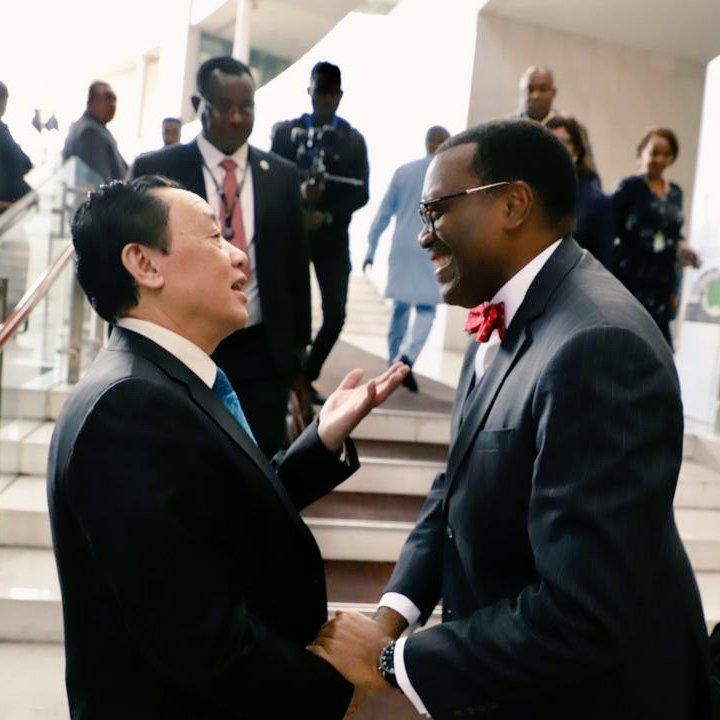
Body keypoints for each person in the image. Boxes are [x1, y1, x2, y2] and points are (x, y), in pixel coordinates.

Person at [309, 120, 713, 720]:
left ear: (513, 204)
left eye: (436, 209)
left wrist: (392, 662)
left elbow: (583, 614)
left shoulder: (598, 346)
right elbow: (457, 485)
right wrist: (392, 615)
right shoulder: (503, 305)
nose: (423, 236)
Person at [47, 175, 408, 719]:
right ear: (145, 264)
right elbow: (196, 637)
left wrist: (320, 441)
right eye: (215, 238)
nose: (239, 256)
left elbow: (218, 515)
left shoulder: (157, 383)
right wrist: (332, 687)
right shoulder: (129, 407)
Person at [129, 56, 310, 459]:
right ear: (199, 106)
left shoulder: (280, 174)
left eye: (246, 108)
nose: (235, 118)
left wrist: (299, 355)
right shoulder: (157, 169)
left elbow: (296, 266)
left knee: (258, 462)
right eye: (223, 107)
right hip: (184, 343)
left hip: (263, 347)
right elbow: (133, 267)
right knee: (189, 460)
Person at [272, 61, 369, 405]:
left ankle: (305, 375)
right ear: (309, 91)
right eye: (319, 91)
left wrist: (327, 215)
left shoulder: (353, 140)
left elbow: (362, 192)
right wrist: (300, 206)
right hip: (294, 238)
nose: (325, 100)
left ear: (340, 96)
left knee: (336, 314)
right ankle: (291, 376)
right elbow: (274, 181)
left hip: (332, 240)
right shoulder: (286, 134)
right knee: (290, 312)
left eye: (331, 93)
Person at [363, 125, 450, 393]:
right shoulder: (447, 175)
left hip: (401, 247)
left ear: (426, 143)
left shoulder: (403, 172)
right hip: (431, 244)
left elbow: (383, 214)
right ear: (444, 144)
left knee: (400, 309)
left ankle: (393, 363)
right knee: (427, 308)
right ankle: (406, 359)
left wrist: (371, 250)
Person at [612, 127, 701, 349]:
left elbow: (673, 232)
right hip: (633, 279)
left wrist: (683, 247)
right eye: (653, 153)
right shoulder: (629, 188)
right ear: (642, 152)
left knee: (659, 346)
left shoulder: (676, 192)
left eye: (665, 154)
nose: (658, 159)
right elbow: (610, 231)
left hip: (664, 281)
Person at [546, 115, 613, 268]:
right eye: (550, 139)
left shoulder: (597, 202)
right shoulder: (525, 190)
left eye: (564, 142)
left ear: (577, 150)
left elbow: (602, 264)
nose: (556, 146)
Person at [63, 81, 127, 181]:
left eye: (114, 99)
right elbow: (101, 183)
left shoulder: (90, 127)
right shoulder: (90, 132)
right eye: (107, 98)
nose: (112, 104)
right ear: (90, 102)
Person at [0, 81, 32, 212]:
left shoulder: (2, 130)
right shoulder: (1, 131)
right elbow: (24, 162)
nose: (4, 108)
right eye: (4, 103)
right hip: (8, 209)